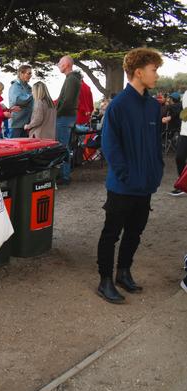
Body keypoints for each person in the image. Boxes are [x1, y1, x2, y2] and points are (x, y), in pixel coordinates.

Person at [96, 48, 165, 304]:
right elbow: (110, 146)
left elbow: (156, 143)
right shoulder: (118, 105)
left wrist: (156, 169)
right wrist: (125, 174)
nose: (156, 75)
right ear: (139, 72)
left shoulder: (152, 106)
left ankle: (123, 272)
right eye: (153, 69)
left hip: (145, 184)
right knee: (111, 233)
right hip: (122, 186)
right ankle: (105, 280)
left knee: (135, 231)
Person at [55, 55, 82, 185]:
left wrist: (56, 114)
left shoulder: (71, 79)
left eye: (60, 63)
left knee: (63, 146)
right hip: (68, 117)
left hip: (64, 117)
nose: (58, 65)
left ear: (66, 64)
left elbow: (68, 101)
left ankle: (64, 176)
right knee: (65, 146)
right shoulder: (72, 79)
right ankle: (64, 174)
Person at [8, 64, 33, 137]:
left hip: (26, 124)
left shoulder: (28, 87)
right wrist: (32, 95)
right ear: (21, 73)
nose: (30, 75)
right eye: (29, 73)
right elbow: (18, 100)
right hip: (17, 124)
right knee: (15, 147)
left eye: (31, 73)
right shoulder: (15, 86)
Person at [172, 90, 187, 196]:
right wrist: (171, 117)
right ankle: (183, 184)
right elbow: (181, 109)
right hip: (185, 131)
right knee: (179, 157)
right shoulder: (186, 93)